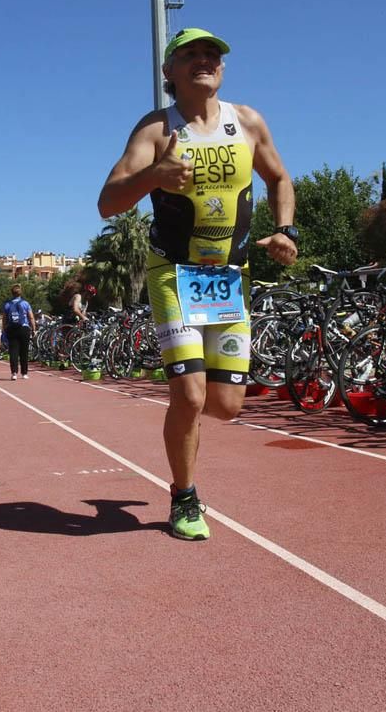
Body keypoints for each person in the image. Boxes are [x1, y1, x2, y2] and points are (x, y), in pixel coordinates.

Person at [97, 27, 297, 540]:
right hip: (174, 274)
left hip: (228, 278)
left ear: (222, 70)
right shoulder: (156, 130)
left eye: (212, 55)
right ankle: (185, 498)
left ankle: (183, 416)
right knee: (187, 395)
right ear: (170, 72)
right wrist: (153, 176)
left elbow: (278, 178)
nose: (204, 61)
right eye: (191, 55)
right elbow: (108, 202)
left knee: (226, 406)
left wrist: (284, 230)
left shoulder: (247, 121)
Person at [2, 283, 36, 380]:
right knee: (24, 351)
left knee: (13, 352)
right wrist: (34, 329)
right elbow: (31, 317)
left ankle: (14, 373)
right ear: (20, 293)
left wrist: (4, 329)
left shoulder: (7, 304)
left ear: (12, 293)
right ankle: (24, 373)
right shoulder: (25, 303)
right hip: (24, 328)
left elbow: (4, 319)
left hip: (11, 329)